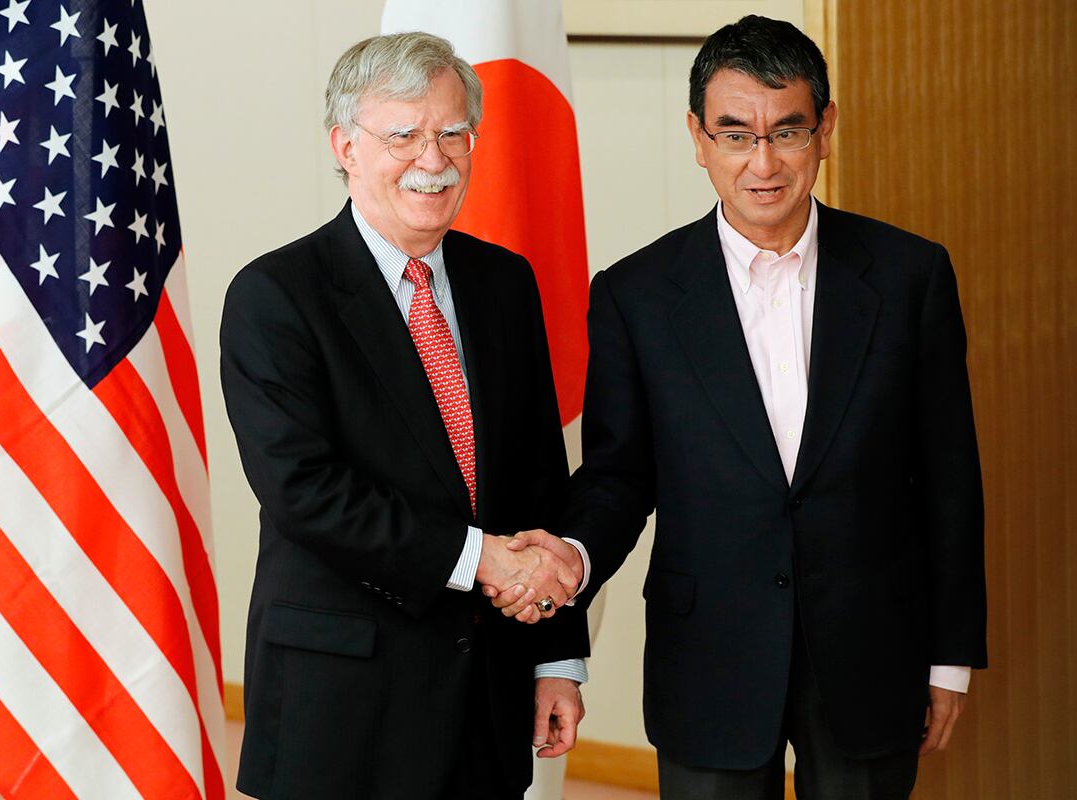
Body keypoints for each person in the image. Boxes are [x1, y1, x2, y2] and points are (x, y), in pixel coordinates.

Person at [493, 15, 987, 800]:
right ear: (697, 137)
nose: (762, 163)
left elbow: (949, 478)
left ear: (825, 129)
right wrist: (573, 559)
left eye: (786, 131)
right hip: (709, 656)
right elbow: (620, 476)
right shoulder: (636, 296)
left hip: (870, 654)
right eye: (734, 135)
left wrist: (949, 658)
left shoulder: (910, 276)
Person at [220, 32, 590, 800]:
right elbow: (305, 491)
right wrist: (481, 559)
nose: (435, 158)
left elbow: (536, 483)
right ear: (345, 147)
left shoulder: (505, 284)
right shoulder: (277, 296)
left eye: (454, 133)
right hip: (344, 702)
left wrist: (555, 657)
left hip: (484, 694)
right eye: (404, 136)